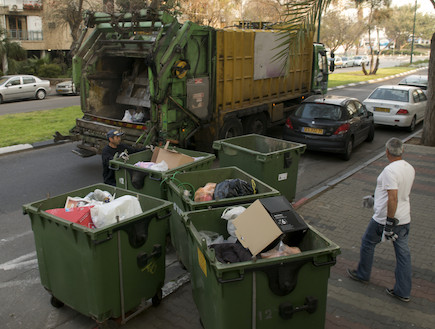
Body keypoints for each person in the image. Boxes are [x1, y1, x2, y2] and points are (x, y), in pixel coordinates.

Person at [347, 137, 415, 302]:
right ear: (402, 151)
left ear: (386, 152)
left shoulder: (389, 171)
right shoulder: (409, 168)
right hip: (405, 218)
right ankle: (403, 291)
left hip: (385, 220)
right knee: (403, 255)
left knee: (368, 242)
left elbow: (393, 197)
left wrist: (389, 225)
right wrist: (374, 198)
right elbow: (395, 192)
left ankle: (363, 274)